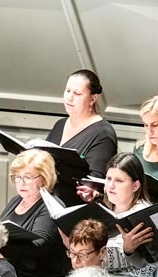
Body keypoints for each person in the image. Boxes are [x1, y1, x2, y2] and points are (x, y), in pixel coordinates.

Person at [45, 69, 117, 206]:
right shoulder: (60, 124)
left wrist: (89, 190)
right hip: (49, 202)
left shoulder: (103, 133)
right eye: (67, 91)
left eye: (77, 93)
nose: (69, 97)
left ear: (92, 99)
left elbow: (95, 181)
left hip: (75, 208)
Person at [0, 149, 69, 277]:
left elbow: (38, 248)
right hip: (11, 273)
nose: (21, 183)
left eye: (28, 177)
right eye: (17, 177)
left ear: (44, 178)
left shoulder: (52, 206)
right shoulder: (16, 200)